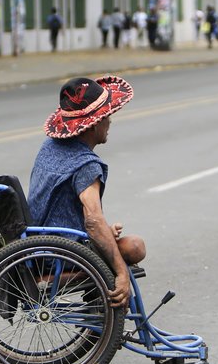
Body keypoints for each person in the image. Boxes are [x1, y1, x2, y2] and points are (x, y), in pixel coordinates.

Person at [29, 75, 146, 308]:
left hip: (38, 243)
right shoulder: (85, 165)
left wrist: (104, 234)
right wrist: (121, 273)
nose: (110, 122)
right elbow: (93, 220)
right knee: (134, 247)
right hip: (59, 254)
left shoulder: (51, 146)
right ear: (93, 124)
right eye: (106, 117)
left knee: (108, 239)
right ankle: (51, 281)